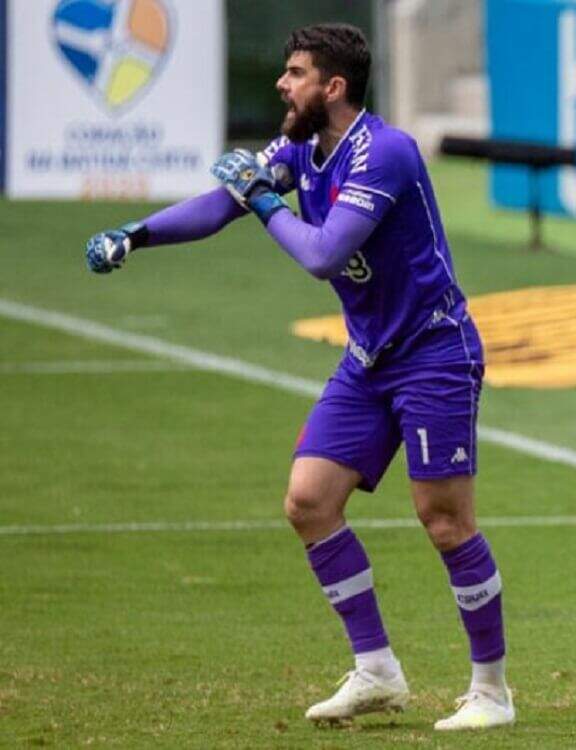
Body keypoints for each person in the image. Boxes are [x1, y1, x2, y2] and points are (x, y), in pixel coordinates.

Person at [83, 23, 514, 731]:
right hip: (370, 356)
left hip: (434, 354)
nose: (282, 85)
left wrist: (265, 199)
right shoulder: (299, 150)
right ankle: (377, 671)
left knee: (444, 520)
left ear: (332, 87)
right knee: (309, 501)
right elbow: (221, 205)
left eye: (295, 73)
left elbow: (321, 254)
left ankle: (492, 692)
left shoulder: (385, 154)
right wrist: (136, 234)